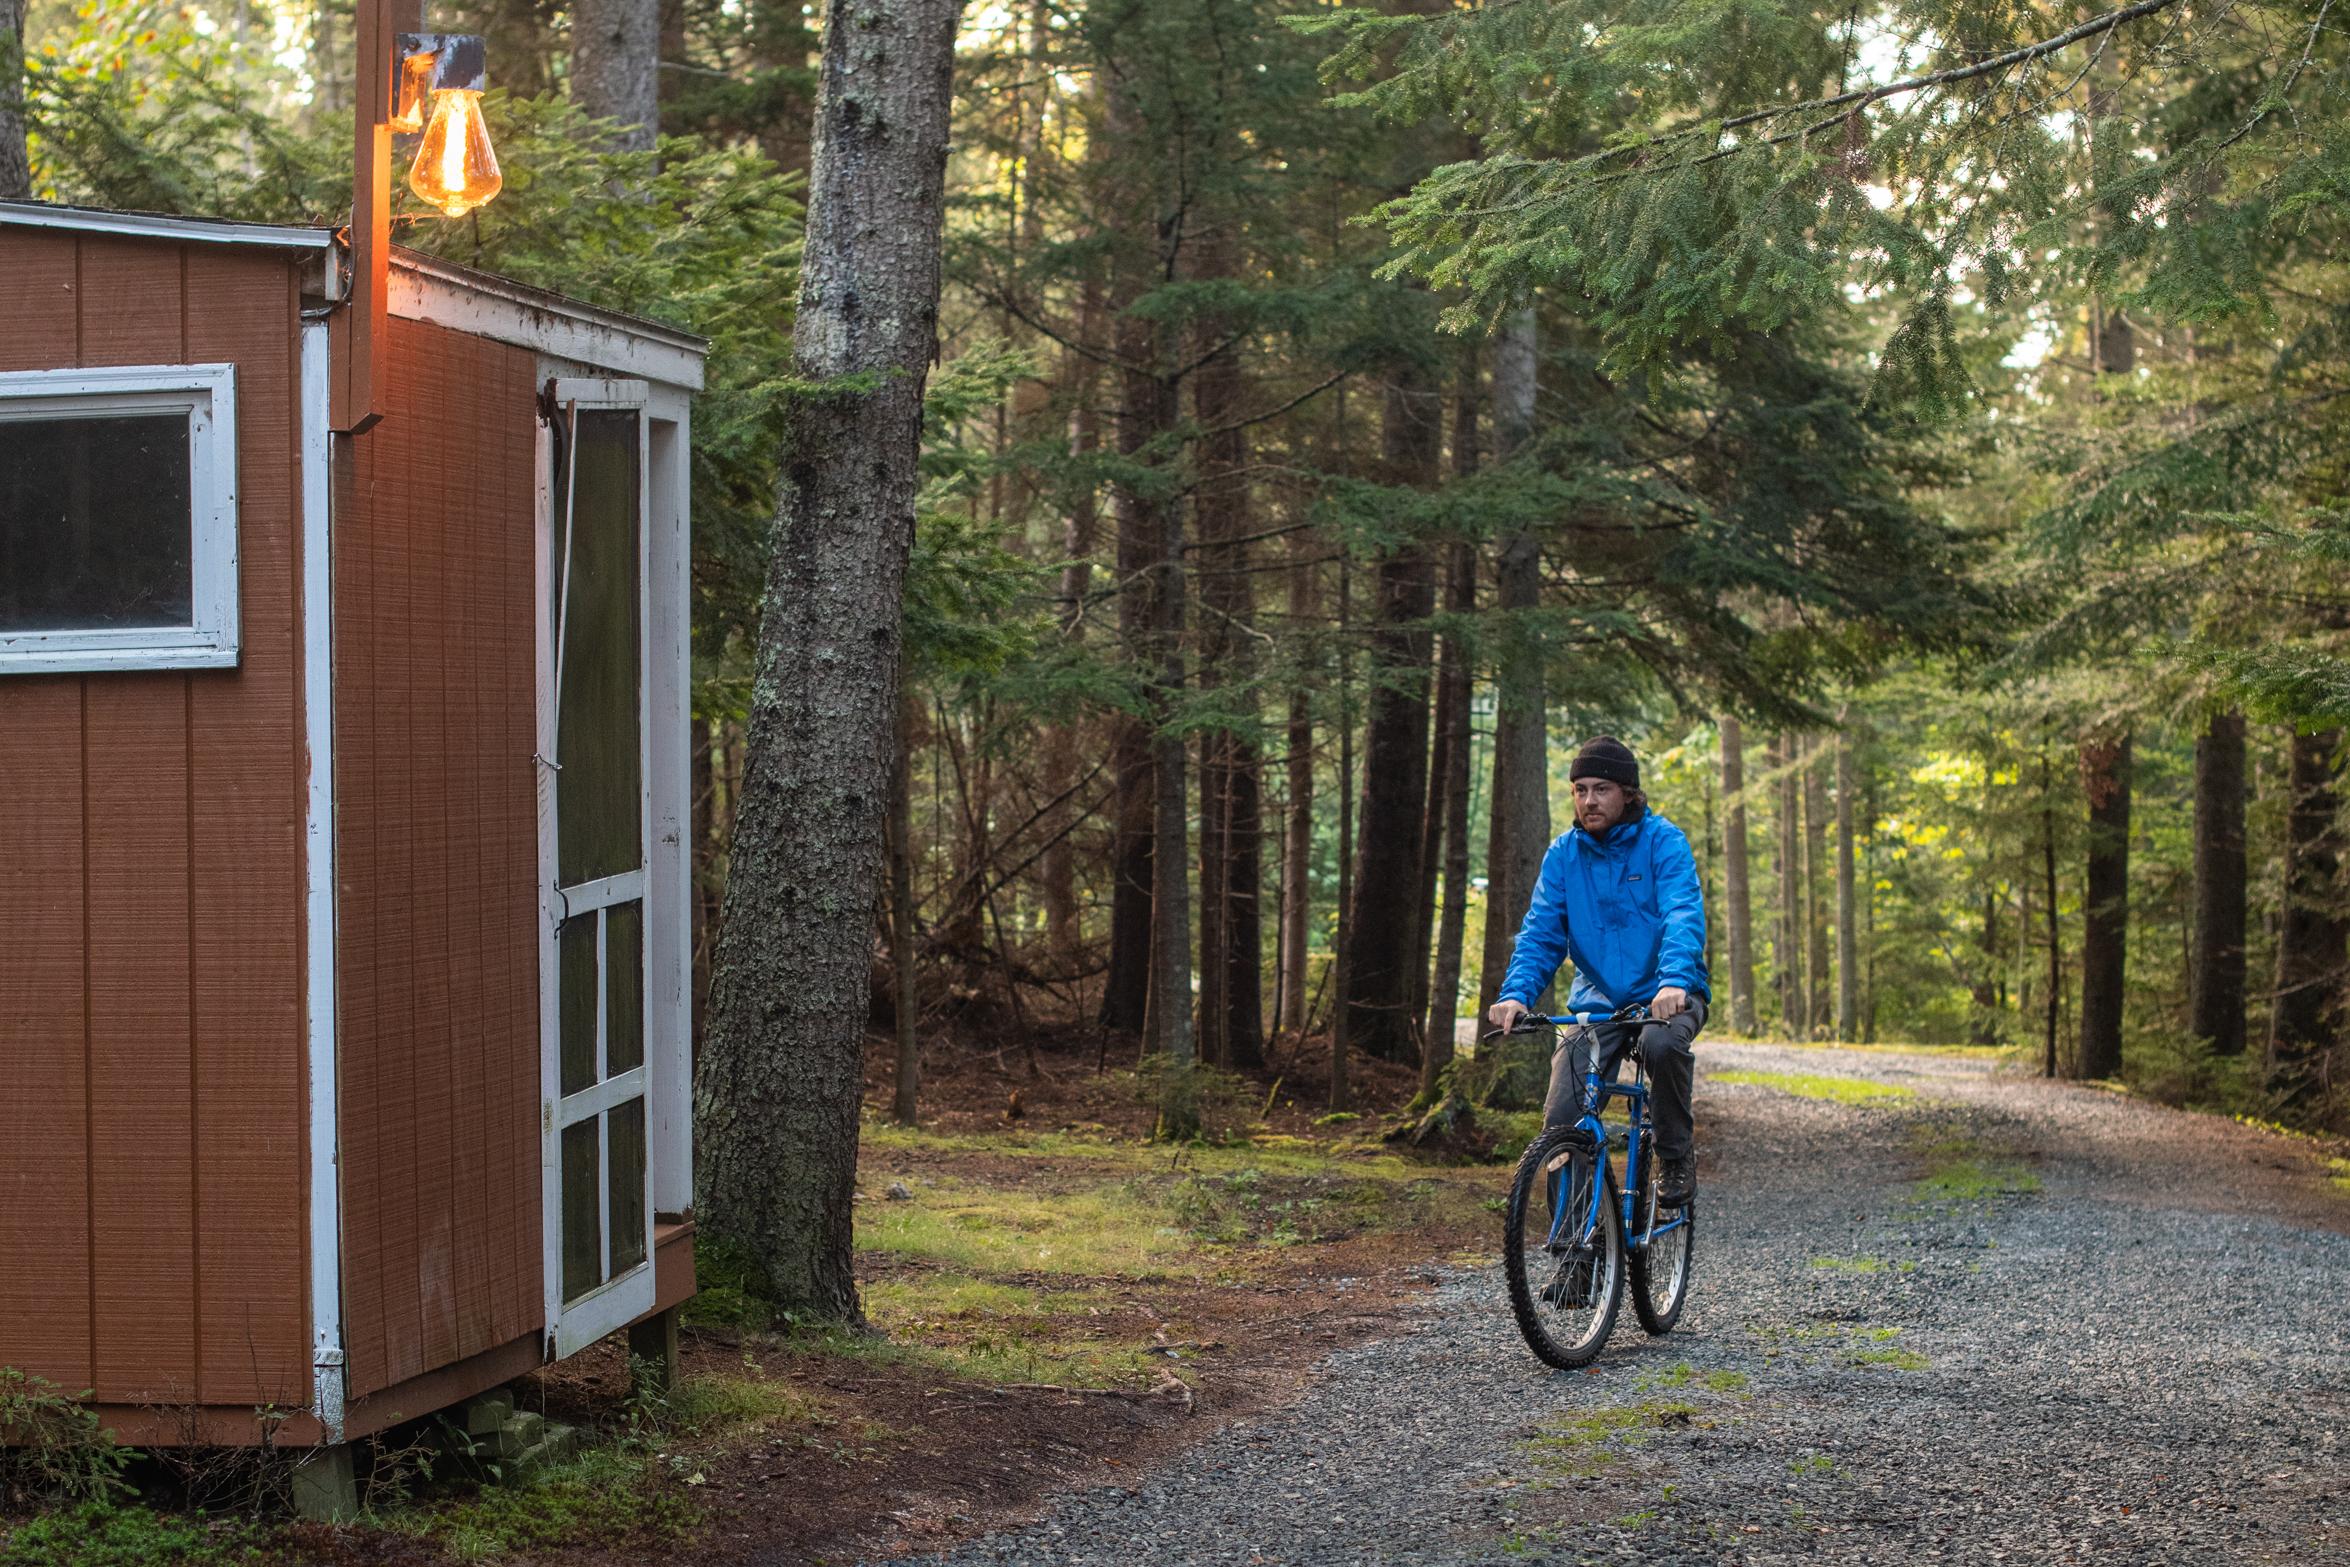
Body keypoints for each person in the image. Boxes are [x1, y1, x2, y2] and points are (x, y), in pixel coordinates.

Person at [1487, 735, 1710, 1207]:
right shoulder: (1564, 855)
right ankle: (1577, 1259)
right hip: (1599, 1003)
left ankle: (1674, 1155)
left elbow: (1681, 915)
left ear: (1628, 792)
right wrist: (1516, 995)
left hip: (1666, 993)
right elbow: (1541, 932)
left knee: (1661, 1043)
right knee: (1562, 1116)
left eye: (1601, 788)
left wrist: (1673, 981)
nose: (1588, 800)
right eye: (1580, 789)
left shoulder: (1663, 842)